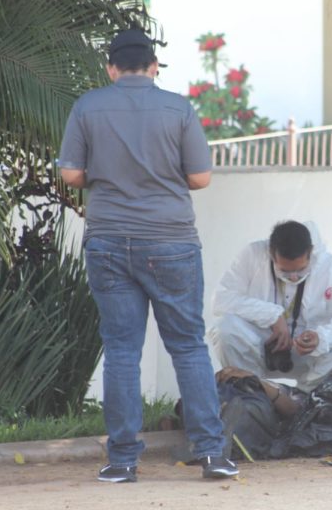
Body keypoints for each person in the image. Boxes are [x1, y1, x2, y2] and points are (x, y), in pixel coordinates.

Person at [58, 29, 238, 483]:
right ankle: (213, 455)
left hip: (109, 241)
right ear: (154, 67)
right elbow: (200, 178)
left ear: (112, 68)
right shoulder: (178, 108)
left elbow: (71, 173)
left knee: (121, 351)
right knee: (188, 346)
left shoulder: (88, 106)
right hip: (171, 242)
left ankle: (121, 460)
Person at [209, 220, 332, 391]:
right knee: (224, 329)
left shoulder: (330, 267)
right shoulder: (252, 255)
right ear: (271, 253)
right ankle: (253, 393)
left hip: (309, 355)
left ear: (311, 253)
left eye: (301, 270)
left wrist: (321, 338)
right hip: (262, 345)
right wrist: (272, 316)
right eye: (285, 271)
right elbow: (221, 300)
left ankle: (306, 400)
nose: (293, 277)